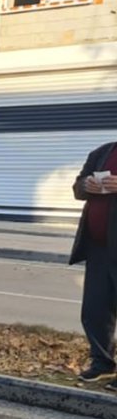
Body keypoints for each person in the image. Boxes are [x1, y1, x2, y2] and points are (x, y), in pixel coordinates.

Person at [71, 141, 117, 388]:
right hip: (98, 247)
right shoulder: (102, 153)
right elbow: (77, 189)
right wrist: (86, 186)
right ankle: (102, 363)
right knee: (95, 310)